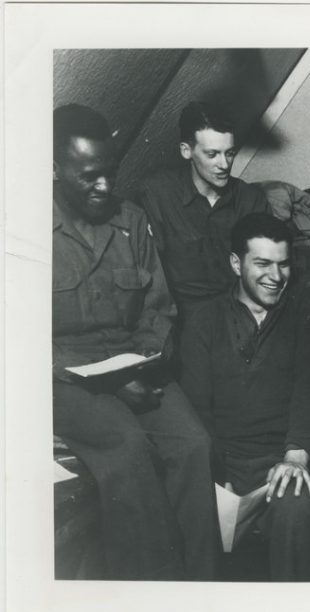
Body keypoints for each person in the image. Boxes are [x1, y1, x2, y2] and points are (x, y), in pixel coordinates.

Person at [51, 104, 217, 580]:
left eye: (110, 173)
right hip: (62, 378)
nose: (104, 187)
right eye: (89, 177)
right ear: (55, 169)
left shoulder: (132, 222)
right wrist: (106, 384)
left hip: (134, 365)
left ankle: (202, 596)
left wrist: (136, 368)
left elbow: (159, 311)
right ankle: (150, 593)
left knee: (193, 444)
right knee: (127, 447)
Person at [179, 213, 310, 581]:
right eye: (262, 264)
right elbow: (197, 409)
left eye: (283, 265)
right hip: (226, 461)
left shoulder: (308, 307)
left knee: (295, 512)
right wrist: (215, 475)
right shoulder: (204, 320)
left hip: (287, 457)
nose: (275, 276)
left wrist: (296, 455)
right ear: (236, 263)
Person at [136, 101, 271, 324]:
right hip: (183, 320)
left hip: (240, 317)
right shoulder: (157, 194)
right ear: (186, 151)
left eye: (230, 153)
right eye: (212, 154)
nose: (224, 164)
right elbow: (150, 279)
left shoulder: (250, 199)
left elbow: (265, 272)